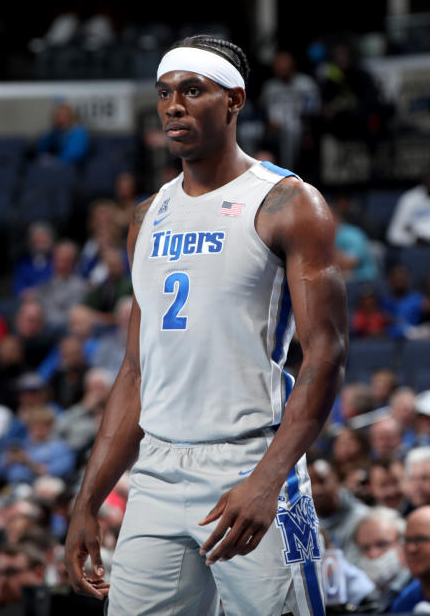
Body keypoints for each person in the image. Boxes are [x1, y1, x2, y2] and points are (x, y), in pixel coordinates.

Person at [64, 35, 348, 616]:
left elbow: (325, 355)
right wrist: (87, 500)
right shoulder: (146, 216)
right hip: (157, 472)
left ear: (235, 100)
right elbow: (136, 370)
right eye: (165, 93)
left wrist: (268, 481)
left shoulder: (287, 202)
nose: (174, 105)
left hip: (252, 459)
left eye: (193, 90)